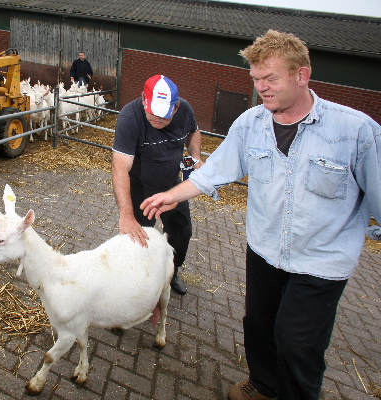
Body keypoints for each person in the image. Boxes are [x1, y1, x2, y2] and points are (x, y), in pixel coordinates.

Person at [140, 30, 381, 400]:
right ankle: (263, 386)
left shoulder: (355, 131)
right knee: (258, 326)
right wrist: (172, 196)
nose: (262, 88)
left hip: (320, 262)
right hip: (265, 250)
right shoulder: (251, 124)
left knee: (297, 343)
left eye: (271, 78)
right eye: (256, 79)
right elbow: (214, 170)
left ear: (302, 75)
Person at [112, 74, 203, 295]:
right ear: (144, 99)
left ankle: (172, 271)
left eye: (164, 115)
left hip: (172, 187)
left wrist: (196, 157)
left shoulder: (185, 111)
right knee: (138, 237)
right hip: (140, 189)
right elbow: (120, 168)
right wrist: (126, 214)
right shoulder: (130, 118)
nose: (158, 120)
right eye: (153, 112)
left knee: (182, 231)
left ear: (176, 107)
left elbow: (193, 132)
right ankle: (136, 281)